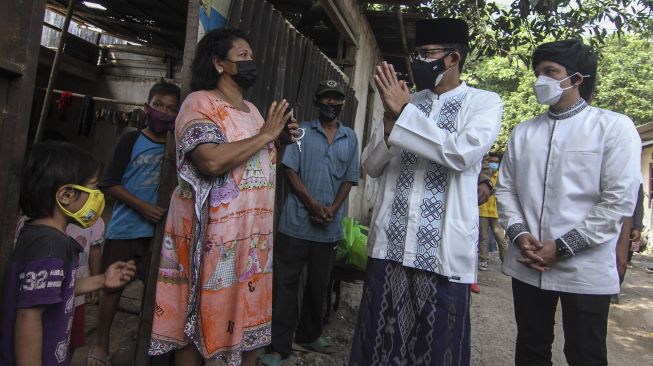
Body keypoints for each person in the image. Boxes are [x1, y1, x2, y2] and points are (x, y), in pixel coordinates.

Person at [348, 18, 503, 365]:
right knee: (379, 344)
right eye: (416, 53)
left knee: (438, 351)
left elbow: (461, 153)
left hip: (442, 256)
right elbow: (371, 166)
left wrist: (404, 114)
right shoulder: (407, 101)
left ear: (453, 58)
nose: (419, 60)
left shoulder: (483, 103)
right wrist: (390, 121)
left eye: (428, 53)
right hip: (391, 247)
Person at [148, 28, 298, 366]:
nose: (251, 62)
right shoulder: (199, 103)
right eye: (242, 55)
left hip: (251, 237)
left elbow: (260, 166)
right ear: (218, 62)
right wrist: (265, 136)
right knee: (199, 314)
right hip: (213, 236)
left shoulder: (255, 111)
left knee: (247, 321)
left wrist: (279, 142)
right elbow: (211, 160)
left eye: (251, 55)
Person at [496, 39, 641, 366]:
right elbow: (505, 190)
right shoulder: (523, 132)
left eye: (550, 72)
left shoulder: (613, 128)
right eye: (537, 72)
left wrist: (562, 246)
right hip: (529, 262)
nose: (540, 80)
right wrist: (520, 236)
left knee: (585, 353)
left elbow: (618, 200)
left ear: (577, 79)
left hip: (585, 267)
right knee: (531, 348)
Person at [0, 141, 136, 366]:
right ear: (66, 195)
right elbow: (29, 316)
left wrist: (102, 280)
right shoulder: (49, 245)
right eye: (93, 187)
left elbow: (57, 287)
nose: (98, 195)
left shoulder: (40, 235)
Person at [259, 80, 359, 365]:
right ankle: (278, 347)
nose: (331, 103)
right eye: (325, 99)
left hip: (328, 227)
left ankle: (309, 334)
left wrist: (333, 208)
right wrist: (312, 205)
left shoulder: (350, 137)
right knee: (285, 286)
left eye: (336, 99)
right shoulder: (300, 131)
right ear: (317, 103)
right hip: (295, 224)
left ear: (342, 104)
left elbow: (349, 178)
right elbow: (289, 170)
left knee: (319, 285)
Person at [88, 81, 181, 365]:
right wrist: (142, 207)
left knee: (155, 291)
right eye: (158, 105)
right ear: (146, 107)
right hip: (126, 229)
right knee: (112, 289)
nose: (163, 113)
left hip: (159, 234)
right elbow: (109, 183)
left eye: (170, 109)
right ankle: (101, 344)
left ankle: (149, 344)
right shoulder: (130, 140)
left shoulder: (175, 146)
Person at [66, 218, 105, 358]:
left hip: (78, 296)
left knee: (71, 341)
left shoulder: (93, 218)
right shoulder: (41, 215)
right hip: (50, 292)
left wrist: (94, 285)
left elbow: (95, 251)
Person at [478, 152, 508, 270]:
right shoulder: (483, 175)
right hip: (483, 211)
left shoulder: (501, 177)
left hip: (497, 213)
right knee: (483, 238)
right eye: (492, 162)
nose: (493, 164)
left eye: (496, 162)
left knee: (501, 238)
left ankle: (505, 261)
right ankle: (483, 260)